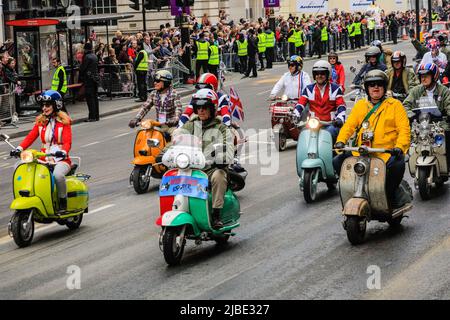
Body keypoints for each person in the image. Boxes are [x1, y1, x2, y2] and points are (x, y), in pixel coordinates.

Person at [333, 70, 411, 208]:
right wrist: (341, 141)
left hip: (385, 153)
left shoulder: (395, 105)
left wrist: (399, 148)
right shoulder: (360, 105)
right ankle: (353, 190)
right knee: (338, 161)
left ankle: (390, 195)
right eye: (372, 85)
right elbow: (349, 126)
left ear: (384, 87)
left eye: (379, 84)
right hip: (362, 152)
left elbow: (404, 130)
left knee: (398, 164)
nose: (375, 88)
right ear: (367, 88)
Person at [174, 89, 234, 229]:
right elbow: (176, 140)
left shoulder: (222, 128)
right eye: (198, 108)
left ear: (212, 109)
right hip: (190, 169)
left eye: (204, 107)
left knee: (219, 176)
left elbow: (228, 147)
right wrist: (165, 153)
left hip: (211, 169)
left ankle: (216, 214)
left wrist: (221, 159)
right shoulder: (190, 125)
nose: (201, 111)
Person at [10, 90, 72, 212]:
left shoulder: (64, 123)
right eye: (43, 105)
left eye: (48, 105)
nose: (44, 108)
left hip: (60, 159)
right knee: (18, 166)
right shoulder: (41, 122)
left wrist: (63, 151)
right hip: (43, 158)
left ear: (56, 105)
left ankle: (62, 200)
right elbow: (30, 137)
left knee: (58, 175)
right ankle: (26, 195)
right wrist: (19, 148)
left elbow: (67, 142)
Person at [294, 60, 347, 143]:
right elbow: (300, 104)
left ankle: (333, 154)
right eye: (317, 74)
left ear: (327, 75)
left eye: (322, 73)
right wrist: (295, 113)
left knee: (329, 133)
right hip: (313, 123)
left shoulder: (335, 89)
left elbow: (341, 106)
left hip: (331, 124)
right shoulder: (308, 89)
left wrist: (340, 119)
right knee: (303, 134)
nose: (319, 76)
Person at [128, 70, 182, 139]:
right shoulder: (154, 94)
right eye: (154, 81)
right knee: (143, 133)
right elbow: (145, 107)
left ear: (165, 82)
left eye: (158, 81)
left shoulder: (174, 94)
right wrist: (136, 119)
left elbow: (178, 108)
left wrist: (175, 119)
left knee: (177, 135)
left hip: (171, 126)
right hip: (158, 124)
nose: (155, 83)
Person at [79, 42, 100, 122]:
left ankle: (92, 117)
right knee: (94, 97)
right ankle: (96, 116)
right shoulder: (94, 56)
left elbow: (83, 68)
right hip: (95, 79)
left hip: (89, 80)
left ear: (86, 49)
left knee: (90, 98)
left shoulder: (87, 57)